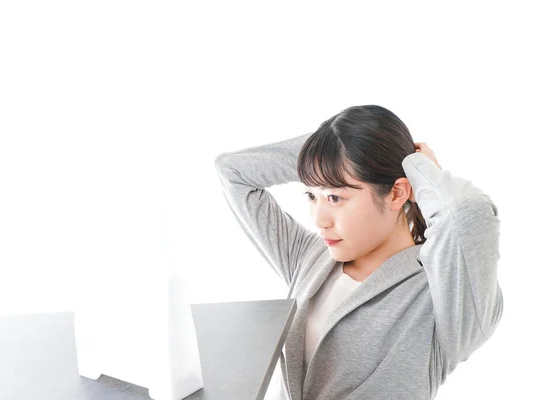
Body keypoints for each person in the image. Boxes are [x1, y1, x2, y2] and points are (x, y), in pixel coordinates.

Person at [214, 105, 503, 400]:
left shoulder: (442, 295)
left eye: (335, 197)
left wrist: (419, 169)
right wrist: (328, 151)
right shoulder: (310, 258)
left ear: (397, 193)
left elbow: (467, 215)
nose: (319, 219)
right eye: (312, 196)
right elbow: (233, 172)